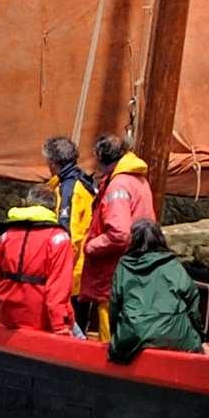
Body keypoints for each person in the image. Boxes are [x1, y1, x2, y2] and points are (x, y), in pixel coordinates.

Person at [75, 134, 154, 331]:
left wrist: (90, 246)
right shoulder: (139, 181)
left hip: (114, 272)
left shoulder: (118, 186)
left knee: (110, 331)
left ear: (100, 158)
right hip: (135, 267)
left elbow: (120, 234)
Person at [102, 221, 204, 363]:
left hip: (133, 337)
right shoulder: (173, 265)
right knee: (204, 349)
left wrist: (117, 338)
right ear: (160, 239)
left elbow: (114, 306)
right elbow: (193, 303)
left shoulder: (124, 266)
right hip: (177, 337)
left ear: (133, 241)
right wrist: (199, 338)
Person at [0, 200, 77, 334]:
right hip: (39, 318)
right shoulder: (59, 238)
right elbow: (59, 287)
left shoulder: (8, 235)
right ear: (54, 208)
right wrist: (60, 325)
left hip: (8, 314)